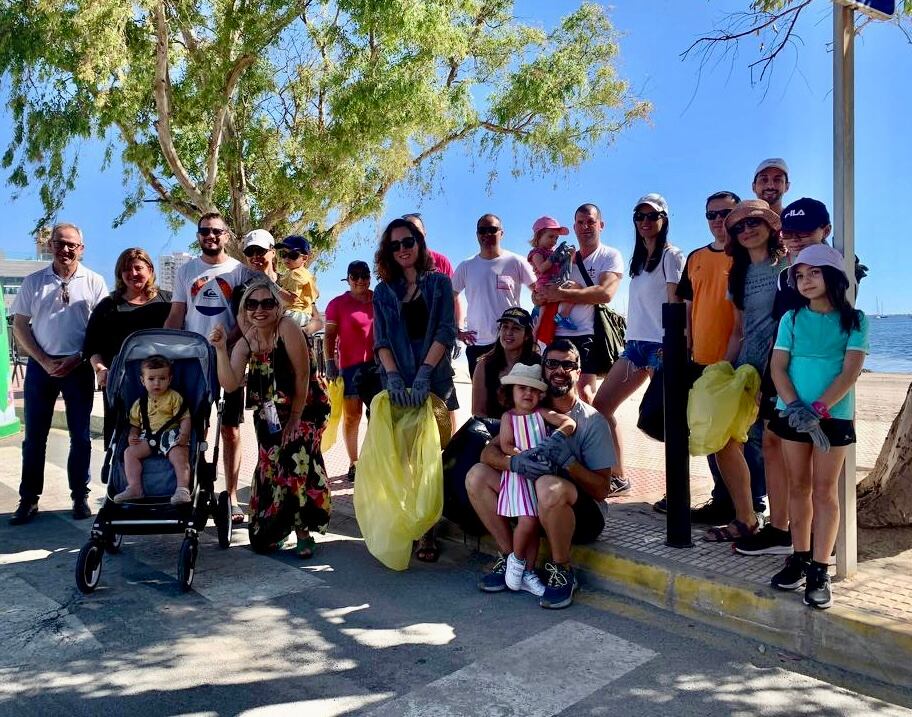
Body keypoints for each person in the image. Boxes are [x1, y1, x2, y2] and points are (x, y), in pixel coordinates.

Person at [467, 339, 617, 609]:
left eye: (568, 364)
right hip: (533, 505)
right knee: (477, 475)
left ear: (578, 371)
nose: (560, 370)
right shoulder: (530, 404)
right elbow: (488, 454)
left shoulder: (592, 421)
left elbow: (602, 490)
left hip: (579, 514)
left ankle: (562, 570)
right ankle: (513, 559)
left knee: (548, 485)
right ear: (543, 369)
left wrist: (568, 462)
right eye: (552, 363)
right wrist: (515, 463)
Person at [655, 191, 766, 523]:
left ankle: (753, 505)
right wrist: (685, 349)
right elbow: (687, 307)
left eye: (725, 214)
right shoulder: (696, 258)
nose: (718, 220)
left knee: (746, 438)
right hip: (703, 362)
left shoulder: (748, 257)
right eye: (712, 214)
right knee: (709, 433)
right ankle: (723, 500)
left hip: (741, 363)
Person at [768, 244, 868, 609]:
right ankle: (799, 556)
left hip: (833, 419)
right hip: (794, 416)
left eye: (814, 272)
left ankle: (820, 569)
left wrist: (821, 409)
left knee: (825, 490)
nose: (806, 280)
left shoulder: (855, 320)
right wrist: (795, 406)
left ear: (833, 276)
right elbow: (778, 366)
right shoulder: (791, 319)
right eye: (799, 274)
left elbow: (851, 370)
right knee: (798, 486)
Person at [209, 279, 332, 558]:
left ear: (277, 306)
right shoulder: (247, 340)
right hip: (270, 411)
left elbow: (302, 375)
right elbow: (230, 383)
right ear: (244, 309)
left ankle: (303, 533)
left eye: (267, 303)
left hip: (306, 406)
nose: (259, 310)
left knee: (294, 459)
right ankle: (277, 527)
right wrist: (219, 350)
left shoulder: (286, 327)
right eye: (252, 304)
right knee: (269, 464)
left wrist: (295, 418)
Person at [9, 222, 108, 524]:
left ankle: (80, 496)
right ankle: (28, 500)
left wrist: (80, 357)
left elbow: (100, 328)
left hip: (78, 368)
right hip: (41, 369)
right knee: (34, 438)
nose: (65, 249)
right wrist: (42, 360)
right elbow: (19, 325)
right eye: (59, 243)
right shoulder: (33, 282)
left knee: (81, 437)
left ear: (81, 248)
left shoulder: (94, 282)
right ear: (50, 245)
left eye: (71, 244)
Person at [373, 217, 457, 562]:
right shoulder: (382, 291)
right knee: (404, 457)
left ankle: (428, 531)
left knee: (434, 456)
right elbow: (381, 340)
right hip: (398, 384)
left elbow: (446, 330)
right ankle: (407, 521)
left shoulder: (439, 284)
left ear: (419, 244)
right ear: (388, 252)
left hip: (435, 380)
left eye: (408, 242)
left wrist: (425, 372)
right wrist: (394, 377)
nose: (403, 250)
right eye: (395, 245)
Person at [703, 200, 787, 543]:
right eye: (738, 227)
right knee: (724, 438)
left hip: (781, 369)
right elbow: (739, 330)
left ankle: (784, 525)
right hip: (746, 369)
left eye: (754, 223)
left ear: (769, 226)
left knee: (774, 446)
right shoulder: (737, 275)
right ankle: (745, 518)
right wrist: (725, 371)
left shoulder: (787, 267)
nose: (746, 230)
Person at [165, 212, 253, 524]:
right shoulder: (186, 270)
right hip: (192, 362)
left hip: (229, 360)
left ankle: (230, 497)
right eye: (205, 231)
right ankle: (192, 488)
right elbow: (178, 313)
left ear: (226, 235)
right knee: (194, 428)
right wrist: (165, 349)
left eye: (217, 231)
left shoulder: (239, 271)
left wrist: (227, 341)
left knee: (230, 430)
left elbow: (248, 316)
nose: (211, 236)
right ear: (199, 235)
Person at [593, 194, 684, 495]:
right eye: (639, 216)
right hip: (634, 346)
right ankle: (618, 476)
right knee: (601, 407)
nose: (645, 222)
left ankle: (677, 491)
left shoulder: (671, 256)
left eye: (652, 216)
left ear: (664, 219)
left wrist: (672, 345)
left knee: (670, 422)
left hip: (661, 347)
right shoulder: (638, 261)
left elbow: (676, 302)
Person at [497, 362, 576, 597]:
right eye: (522, 388)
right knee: (528, 521)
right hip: (519, 476)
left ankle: (528, 572)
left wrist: (554, 440)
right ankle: (516, 559)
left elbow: (568, 423)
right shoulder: (508, 417)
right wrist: (521, 457)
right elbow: (505, 445)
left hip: (540, 477)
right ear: (511, 391)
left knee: (534, 526)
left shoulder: (541, 413)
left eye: (533, 390)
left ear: (540, 394)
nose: (528, 394)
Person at [535, 203, 624, 404]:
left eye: (591, 222)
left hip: (586, 334)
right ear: (574, 227)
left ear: (601, 225)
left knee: (585, 394)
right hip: (555, 334)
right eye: (580, 222)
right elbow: (541, 290)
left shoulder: (609, 255)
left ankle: (595, 433)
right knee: (553, 394)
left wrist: (561, 294)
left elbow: (605, 293)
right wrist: (539, 297)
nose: (585, 227)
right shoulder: (564, 258)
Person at [85, 248, 172, 445]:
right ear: (119, 274)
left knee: (161, 444)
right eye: (126, 269)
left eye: (138, 268)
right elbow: (91, 345)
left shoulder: (169, 302)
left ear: (150, 270)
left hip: (161, 387)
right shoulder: (107, 306)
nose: (132, 274)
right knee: (122, 445)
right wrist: (100, 369)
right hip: (120, 387)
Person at [452, 214, 536, 379]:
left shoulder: (516, 262)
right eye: (482, 230)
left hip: (510, 343)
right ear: (477, 234)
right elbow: (450, 297)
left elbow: (538, 292)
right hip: (477, 343)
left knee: (509, 397)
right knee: (481, 397)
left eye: (492, 230)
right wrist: (458, 329)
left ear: (501, 233)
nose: (487, 234)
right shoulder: (466, 266)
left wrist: (534, 326)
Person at [114, 355, 191, 505]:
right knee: (129, 453)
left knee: (180, 453)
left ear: (169, 379)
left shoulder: (174, 397)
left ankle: (182, 488)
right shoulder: (139, 403)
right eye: (151, 379)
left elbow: (185, 418)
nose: (157, 383)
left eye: (162, 378)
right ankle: (135, 488)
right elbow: (135, 424)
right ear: (143, 381)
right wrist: (133, 435)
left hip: (170, 434)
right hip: (147, 436)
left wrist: (184, 434)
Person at [324, 260, 375, 482]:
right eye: (355, 276)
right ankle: (353, 462)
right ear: (348, 278)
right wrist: (329, 362)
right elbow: (329, 336)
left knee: (377, 417)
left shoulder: (379, 299)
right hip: (350, 369)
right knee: (352, 417)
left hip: (377, 367)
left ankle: (372, 459)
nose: (360, 280)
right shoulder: (337, 304)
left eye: (365, 275)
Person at [471, 307, 541, 419]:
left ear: (527, 335)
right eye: (505, 327)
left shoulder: (538, 364)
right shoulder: (484, 365)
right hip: (493, 428)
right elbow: (478, 411)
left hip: (528, 427)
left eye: (516, 328)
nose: (508, 332)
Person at [527, 215, 576, 343]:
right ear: (538, 236)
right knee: (573, 288)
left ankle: (560, 317)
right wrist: (553, 257)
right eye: (550, 236)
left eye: (556, 238)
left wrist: (569, 256)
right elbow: (542, 268)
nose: (554, 241)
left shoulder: (552, 252)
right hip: (545, 284)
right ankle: (541, 328)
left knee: (572, 289)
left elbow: (562, 268)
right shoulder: (536, 252)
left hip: (554, 281)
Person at [276, 235, 321, 331]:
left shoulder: (295, 274)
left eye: (293, 255)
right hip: (305, 315)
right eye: (283, 254)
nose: (287, 258)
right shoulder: (305, 274)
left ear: (304, 258)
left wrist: (274, 287)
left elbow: (293, 299)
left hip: (295, 314)